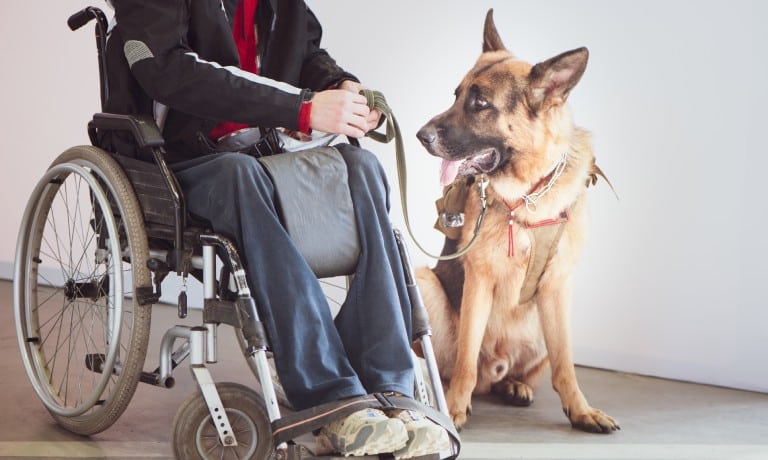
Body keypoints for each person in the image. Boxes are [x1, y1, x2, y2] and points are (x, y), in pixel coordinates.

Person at [104, 0, 449, 457]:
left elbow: (304, 55)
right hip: (180, 162)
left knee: (361, 167)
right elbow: (165, 69)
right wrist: (301, 108)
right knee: (238, 176)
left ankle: (390, 386)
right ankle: (332, 397)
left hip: (267, 150)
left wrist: (340, 88)